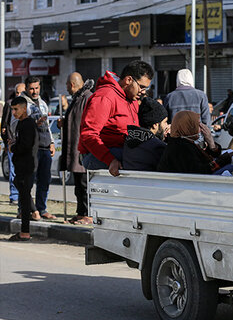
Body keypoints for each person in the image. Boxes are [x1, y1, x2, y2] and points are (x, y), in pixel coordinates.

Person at [79, 60, 154, 176]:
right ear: (128, 80)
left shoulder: (132, 99)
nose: (143, 92)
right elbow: (89, 135)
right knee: (141, 159)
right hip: (99, 155)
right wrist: (110, 160)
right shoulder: (105, 97)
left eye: (146, 89)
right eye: (142, 87)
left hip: (122, 151)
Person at [60, 72, 95, 225]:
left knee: (84, 184)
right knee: (78, 185)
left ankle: (89, 214)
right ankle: (80, 212)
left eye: (67, 85)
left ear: (72, 84)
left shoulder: (87, 97)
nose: (67, 88)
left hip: (82, 149)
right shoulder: (76, 98)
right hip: (74, 148)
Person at [157, 110, 230, 174]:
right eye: (197, 125)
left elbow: (214, 153)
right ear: (188, 127)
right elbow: (201, 172)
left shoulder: (186, 142)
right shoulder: (181, 147)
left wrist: (210, 141)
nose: (201, 129)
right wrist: (224, 159)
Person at [7, 97, 39, 241]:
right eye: (12, 109)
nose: (13, 112)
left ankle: (25, 232)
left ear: (24, 108)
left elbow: (26, 145)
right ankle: (30, 220)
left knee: (25, 198)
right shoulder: (21, 124)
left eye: (16, 109)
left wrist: (13, 147)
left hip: (27, 166)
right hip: (21, 166)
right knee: (24, 196)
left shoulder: (28, 124)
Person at [25, 76, 55, 219]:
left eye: (37, 88)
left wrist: (52, 142)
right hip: (31, 147)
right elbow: (17, 125)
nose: (34, 91)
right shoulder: (23, 104)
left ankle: (42, 209)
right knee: (29, 180)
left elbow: (47, 125)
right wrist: (34, 124)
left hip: (44, 146)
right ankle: (26, 209)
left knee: (44, 180)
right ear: (26, 88)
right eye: (31, 88)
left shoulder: (43, 103)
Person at [122, 98, 169, 172]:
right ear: (155, 125)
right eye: (165, 122)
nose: (167, 126)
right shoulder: (157, 147)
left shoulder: (129, 140)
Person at [1, 83, 26, 205]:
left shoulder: (29, 105)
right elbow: (4, 125)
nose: (19, 95)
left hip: (25, 144)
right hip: (13, 144)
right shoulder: (10, 104)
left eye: (22, 92)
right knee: (13, 170)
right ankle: (14, 196)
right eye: (17, 93)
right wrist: (7, 142)